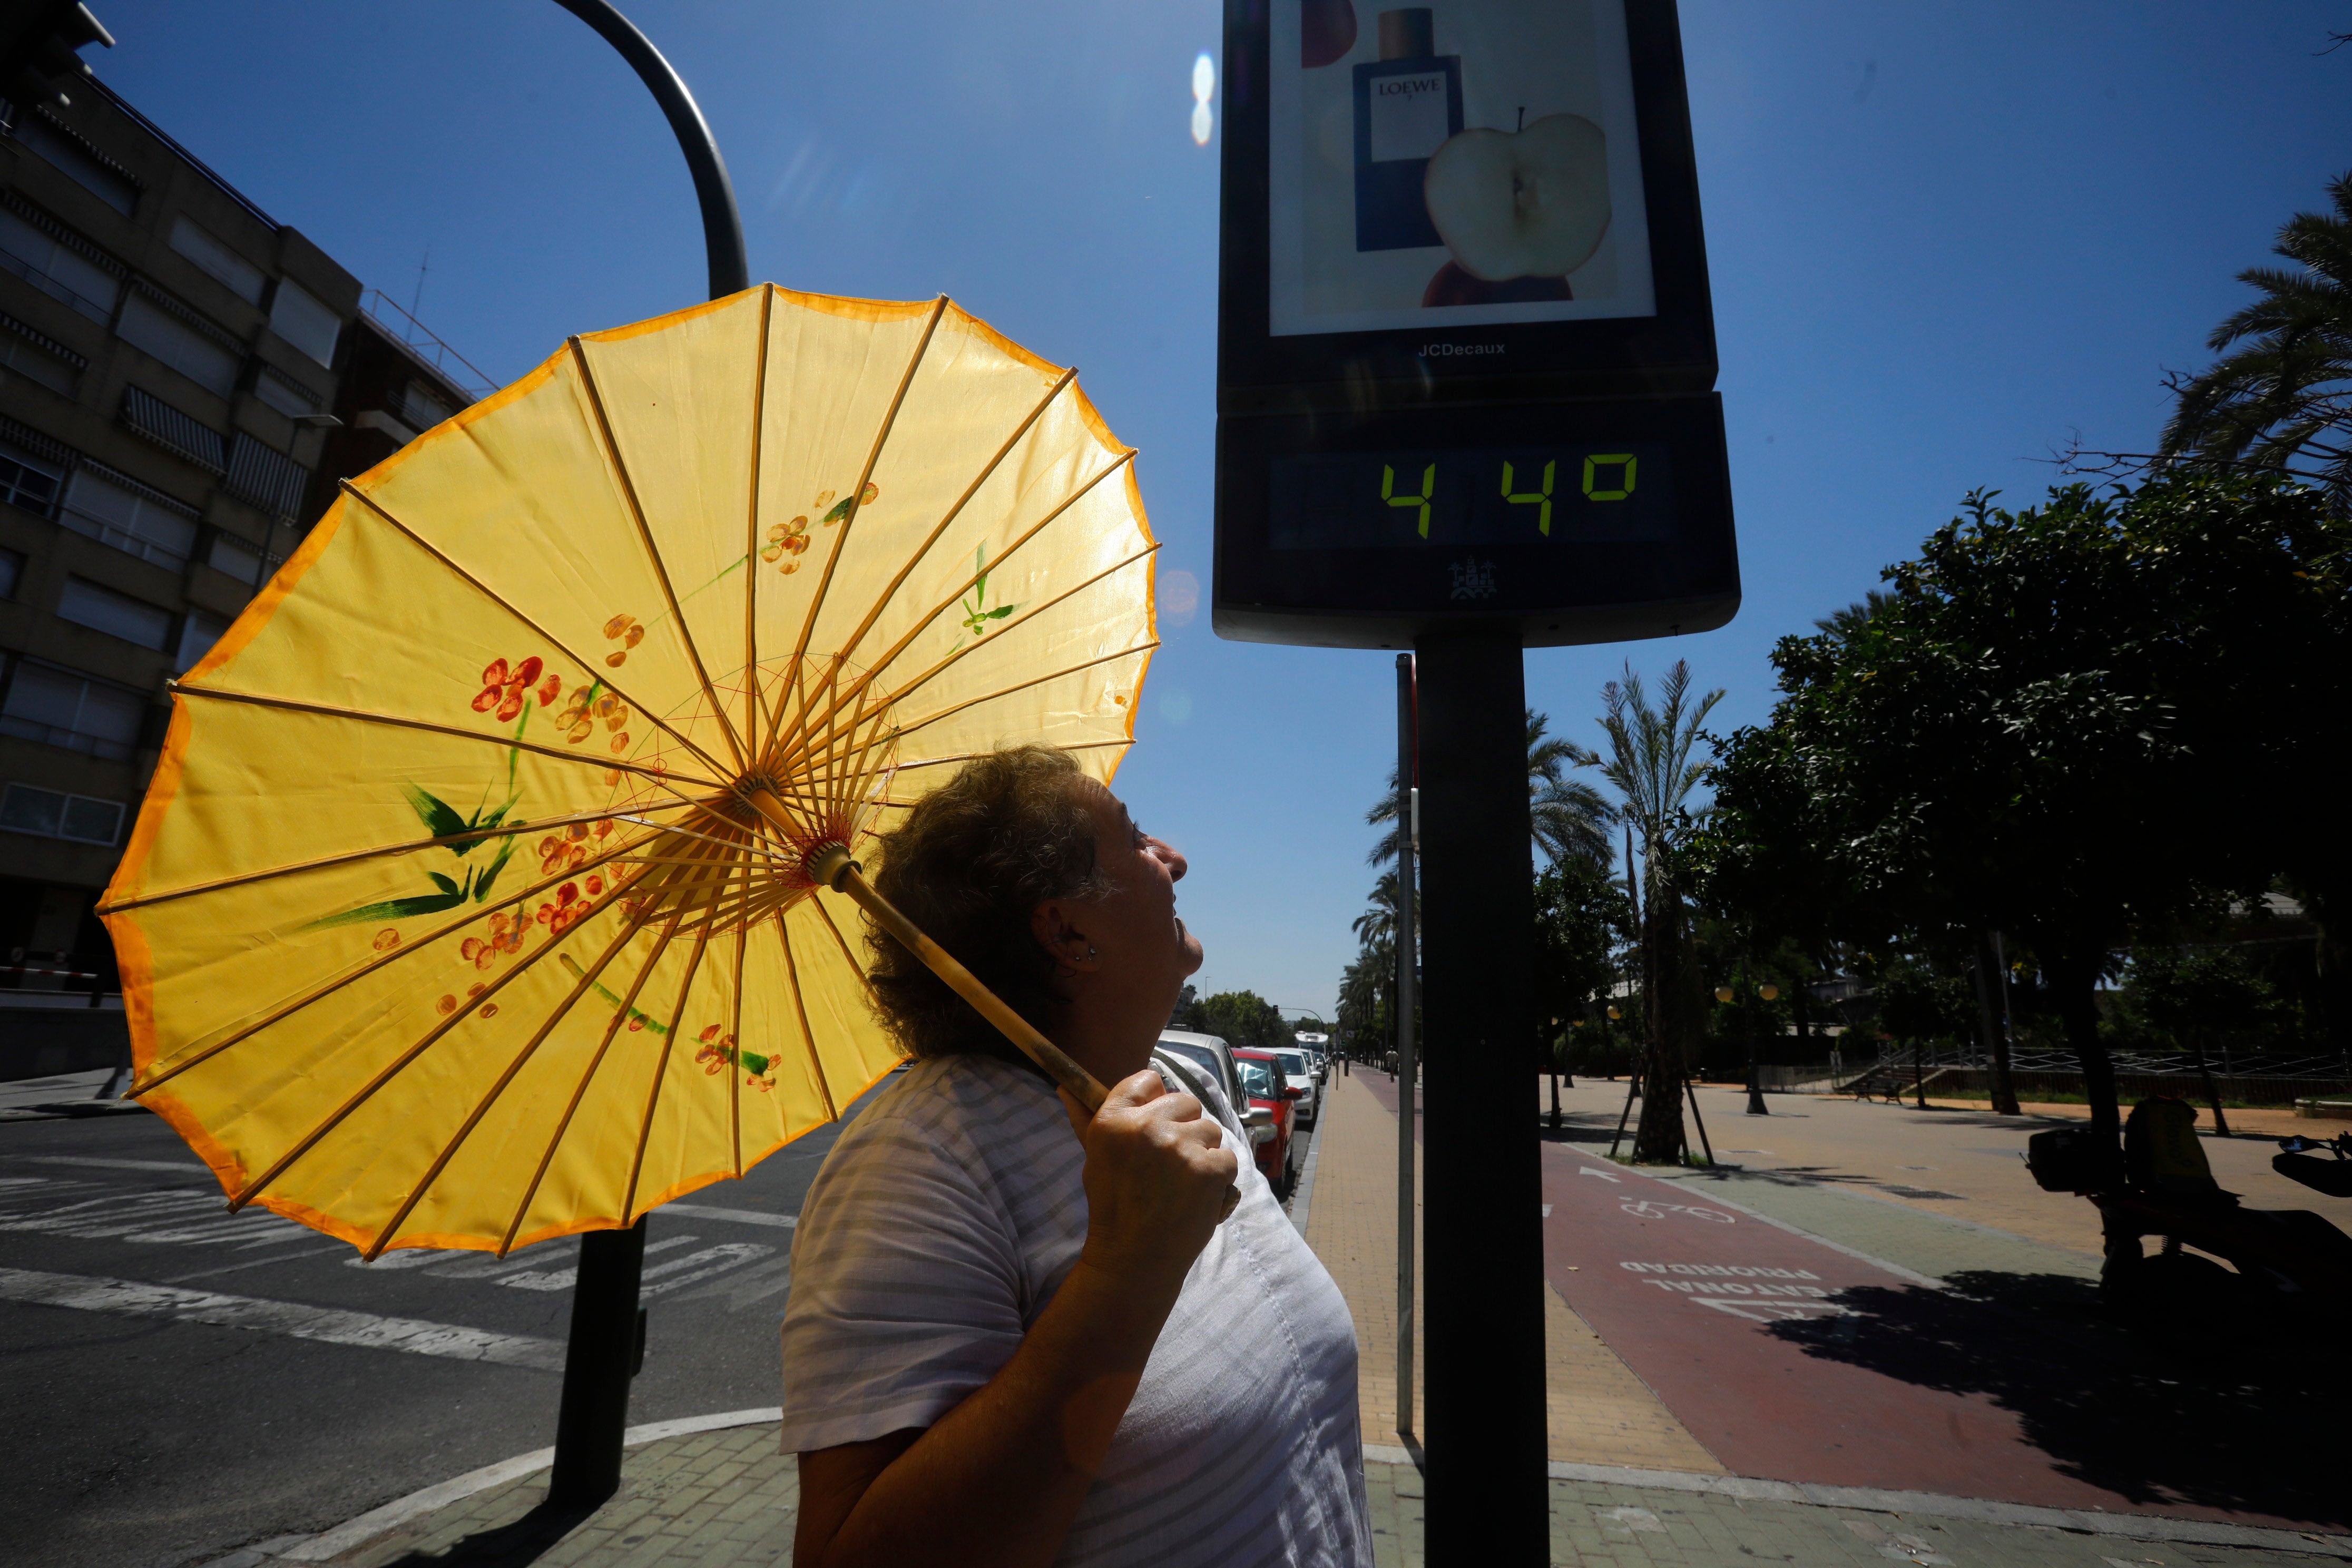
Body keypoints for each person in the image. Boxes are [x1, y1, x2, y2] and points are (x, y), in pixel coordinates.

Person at [780, 747, 1373, 1568]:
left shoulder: (1179, 1078)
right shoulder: (919, 1163)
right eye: (1132, 839)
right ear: (1066, 932)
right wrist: (1126, 1270)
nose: (1175, 858)